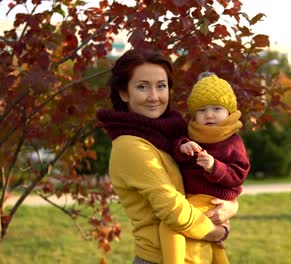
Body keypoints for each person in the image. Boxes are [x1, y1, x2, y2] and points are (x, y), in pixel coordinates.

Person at [96, 49, 237, 264]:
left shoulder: (173, 136)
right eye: (142, 87)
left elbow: (205, 183)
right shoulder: (130, 145)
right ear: (124, 93)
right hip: (160, 258)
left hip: (197, 253)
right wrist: (220, 232)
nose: (154, 97)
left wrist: (231, 205)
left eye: (161, 86)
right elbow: (174, 211)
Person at [159, 73, 250, 264]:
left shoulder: (232, 140)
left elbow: (239, 174)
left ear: (229, 111)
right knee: (212, 245)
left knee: (171, 225)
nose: (209, 115)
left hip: (212, 198)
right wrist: (182, 147)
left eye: (217, 109)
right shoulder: (192, 134)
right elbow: (177, 152)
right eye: (202, 110)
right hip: (192, 196)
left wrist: (214, 167)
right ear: (194, 114)